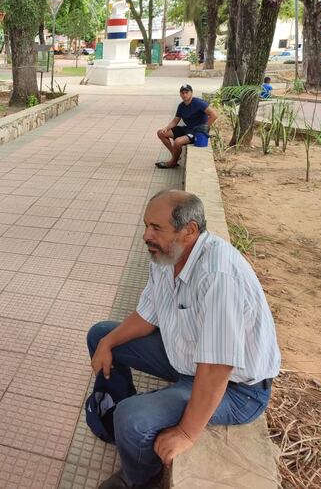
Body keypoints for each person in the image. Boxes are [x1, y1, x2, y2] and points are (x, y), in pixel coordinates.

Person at [89, 190, 281, 489]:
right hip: (189, 360)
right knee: (100, 334)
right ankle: (117, 413)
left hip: (236, 389)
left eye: (156, 228)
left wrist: (187, 433)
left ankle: (138, 479)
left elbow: (218, 368)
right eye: (145, 225)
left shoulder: (218, 275)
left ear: (189, 230)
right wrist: (107, 343)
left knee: (133, 418)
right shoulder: (166, 255)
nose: (146, 236)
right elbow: (147, 316)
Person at [155, 84, 218, 169]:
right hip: (187, 129)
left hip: (196, 132)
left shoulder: (199, 103)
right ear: (180, 94)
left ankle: (173, 162)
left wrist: (204, 128)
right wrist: (166, 128)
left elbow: (214, 115)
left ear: (191, 93)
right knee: (161, 133)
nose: (184, 95)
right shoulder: (181, 106)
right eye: (182, 93)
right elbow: (175, 121)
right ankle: (175, 155)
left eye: (186, 92)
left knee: (177, 142)